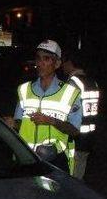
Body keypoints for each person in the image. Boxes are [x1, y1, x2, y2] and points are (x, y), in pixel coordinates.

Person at [9, 40, 82, 173]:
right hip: (28, 160)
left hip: (56, 162)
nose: (40, 63)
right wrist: (13, 123)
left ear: (57, 63)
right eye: (38, 58)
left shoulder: (70, 93)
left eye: (46, 59)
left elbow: (75, 130)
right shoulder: (24, 90)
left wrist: (51, 121)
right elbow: (20, 124)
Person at [62, 50, 100, 180]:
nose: (62, 65)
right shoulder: (92, 82)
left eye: (64, 62)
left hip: (75, 136)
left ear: (70, 63)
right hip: (89, 136)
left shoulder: (73, 83)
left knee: (71, 177)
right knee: (79, 174)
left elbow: (66, 110)